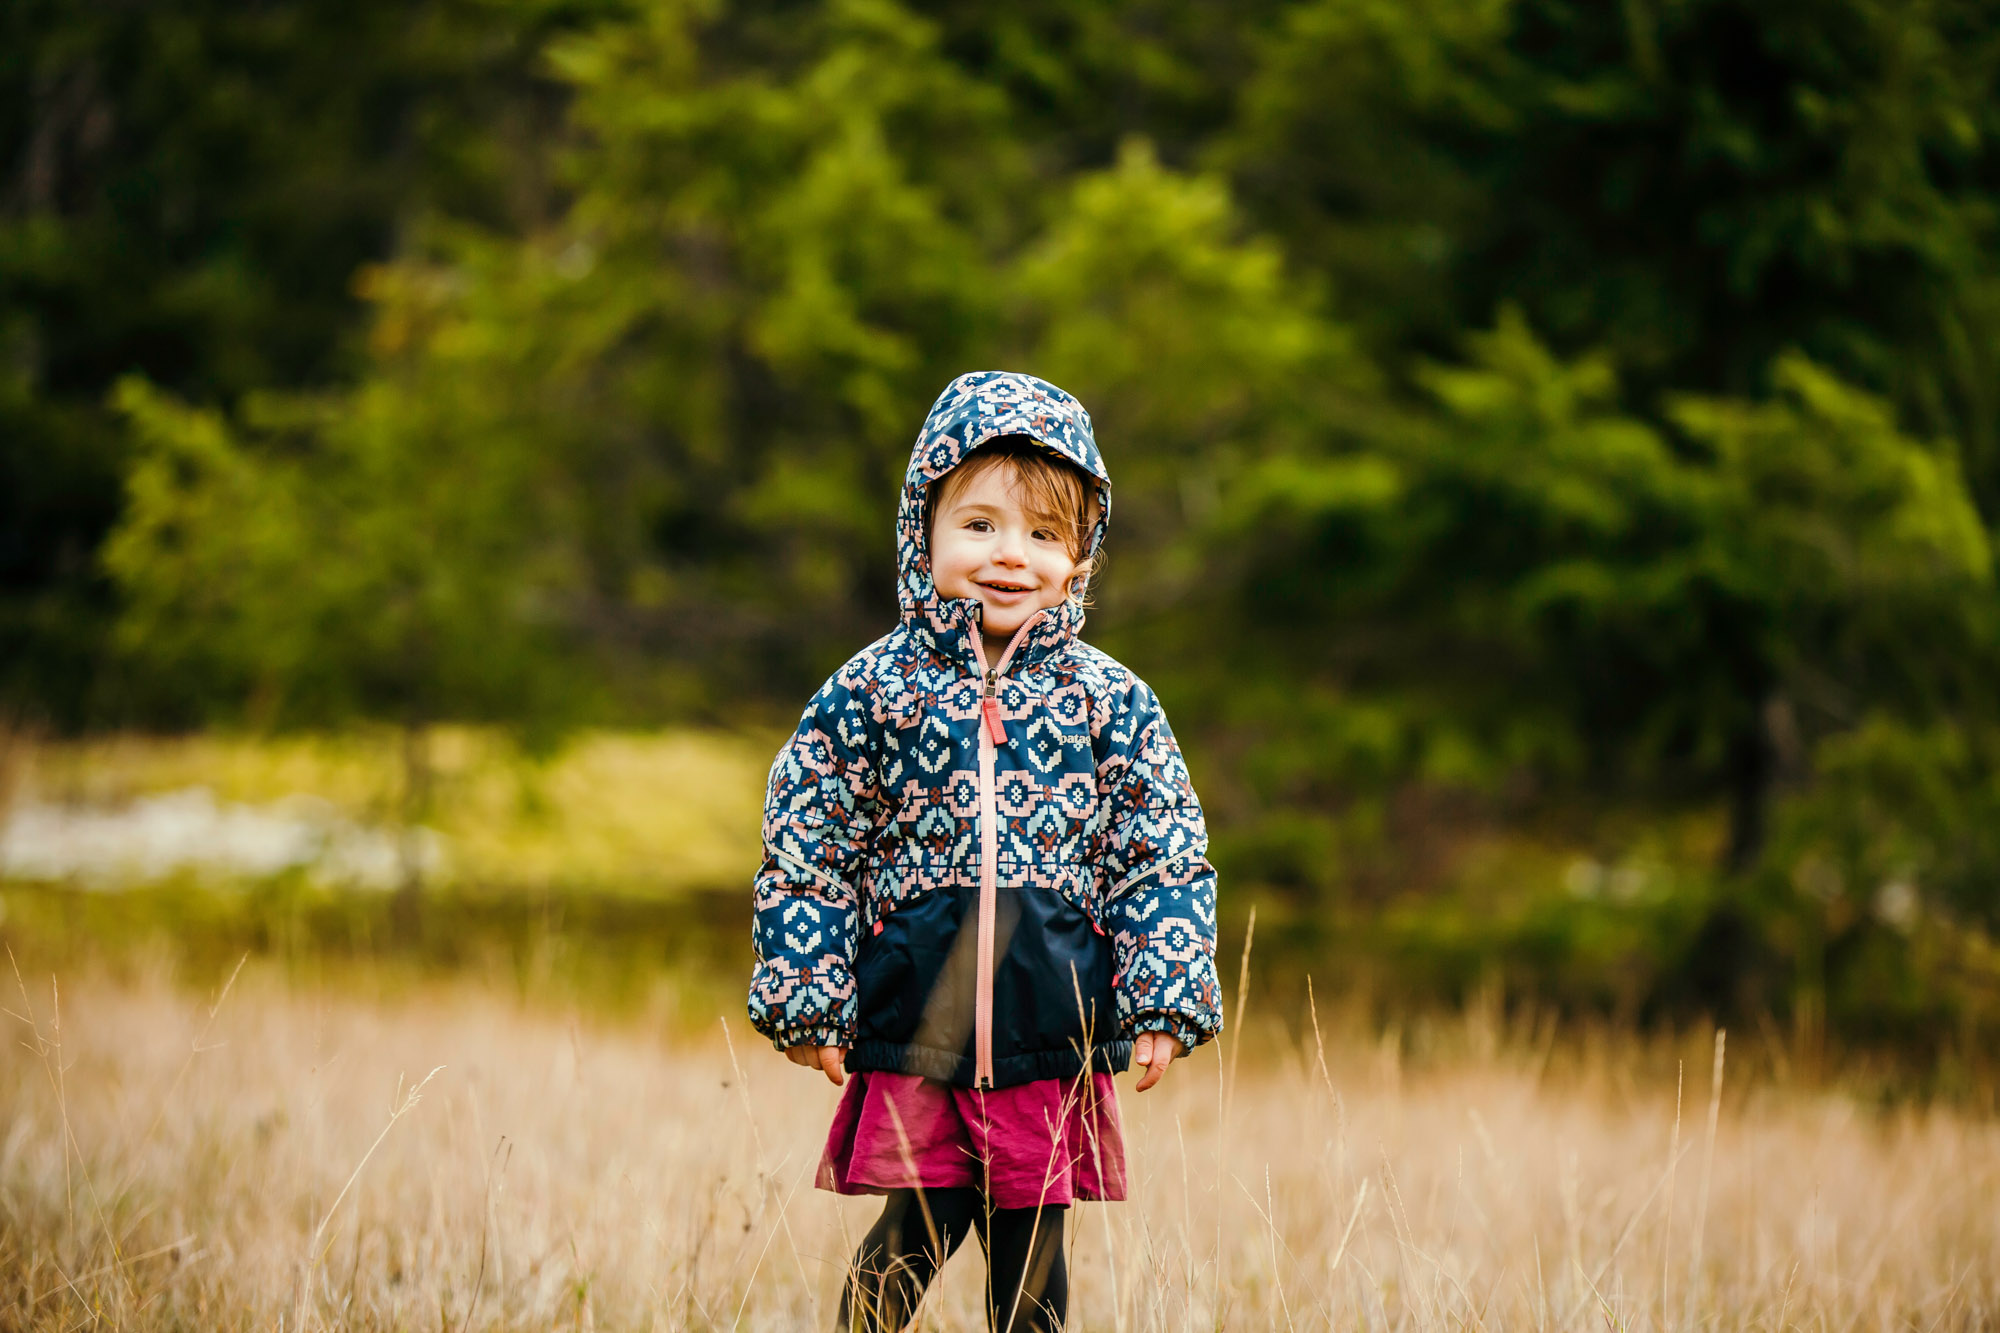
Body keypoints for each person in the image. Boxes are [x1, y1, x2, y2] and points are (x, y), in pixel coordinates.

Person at [748, 370, 1222, 1331]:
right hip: (920, 1021)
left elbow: (1162, 851)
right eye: (981, 526)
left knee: (1034, 1266)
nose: (1012, 557)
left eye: (1045, 536)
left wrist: (1164, 996)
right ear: (921, 532)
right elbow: (808, 843)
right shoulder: (874, 689)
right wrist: (807, 993)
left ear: (1081, 560)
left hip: (1052, 1029)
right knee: (910, 1238)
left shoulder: (1110, 701)